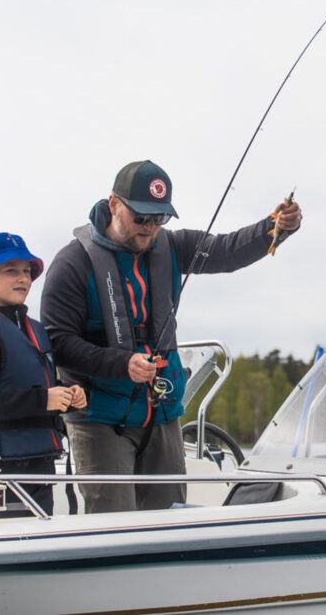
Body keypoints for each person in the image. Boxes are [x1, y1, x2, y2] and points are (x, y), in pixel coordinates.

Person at [41, 160, 302, 513]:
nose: (150, 227)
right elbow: (59, 343)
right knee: (113, 524)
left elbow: (227, 251)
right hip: (100, 419)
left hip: (161, 414)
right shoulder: (72, 264)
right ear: (114, 204)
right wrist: (121, 364)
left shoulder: (173, 247)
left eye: (159, 217)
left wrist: (275, 228)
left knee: (171, 519)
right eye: (141, 217)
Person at [0, 232, 87, 520]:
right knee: (5, 544)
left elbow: (35, 388)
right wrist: (43, 400)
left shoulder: (35, 330)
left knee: (39, 543)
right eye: (11, 271)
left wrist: (68, 395)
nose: (23, 279)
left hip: (39, 464)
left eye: (27, 271)